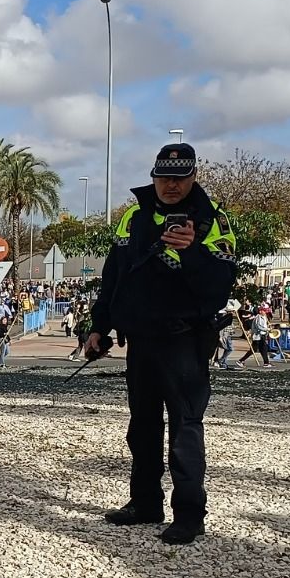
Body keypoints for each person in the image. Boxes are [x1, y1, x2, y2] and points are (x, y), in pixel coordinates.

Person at [83, 143, 238, 545]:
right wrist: (99, 326)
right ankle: (146, 502)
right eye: (164, 176)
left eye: (180, 177)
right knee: (143, 428)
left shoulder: (212, 221)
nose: (171, 184)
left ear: (193, 177)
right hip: (142, 342)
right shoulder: (132, 218)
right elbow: (114, 278)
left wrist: (190, 255)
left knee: (185, 428)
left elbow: (220, 287)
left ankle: (189, 513)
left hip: (185, 341)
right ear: (153, 176)